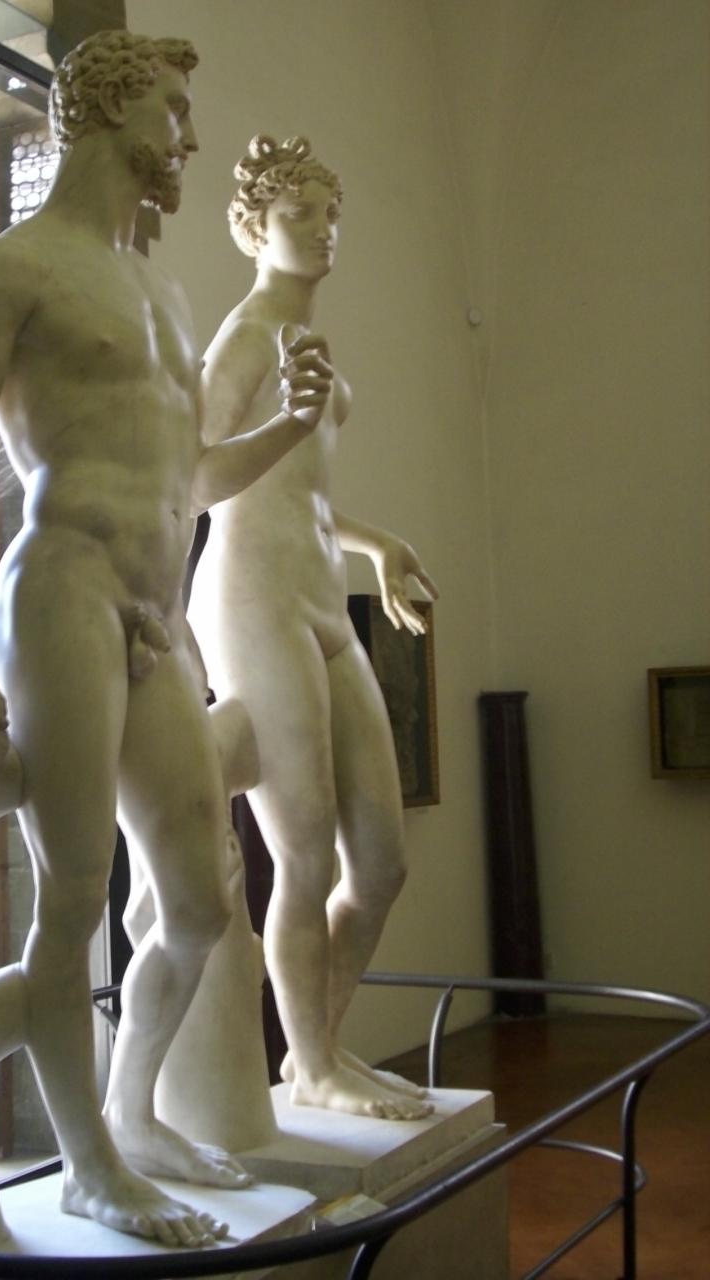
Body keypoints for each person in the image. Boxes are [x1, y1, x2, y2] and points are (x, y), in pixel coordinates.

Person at [0, 43, 333, 1247]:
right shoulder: (12, 270)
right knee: (77, 891)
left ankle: (134, 1115)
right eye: (173, 109)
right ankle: (88, 1159)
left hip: (156, 615)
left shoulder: (165, 293)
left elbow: (188, 479)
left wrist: (289, 428)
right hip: (62, 592)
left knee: (199, 898)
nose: (187, 135)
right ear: (105, 108)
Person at [189, 135, 439, 1121]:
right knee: (304, 857)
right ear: (255, 228)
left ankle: (314, 1056)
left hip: (322, 600)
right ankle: (318, 1065)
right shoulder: (248, 337)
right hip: (252, 601)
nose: (323, 229)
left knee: (379, 865)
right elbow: (192, 478)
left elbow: (305, 498)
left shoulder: (309, 345)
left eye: (330, 213)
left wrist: (380, 546)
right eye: (300, 214)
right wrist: (287, 424)